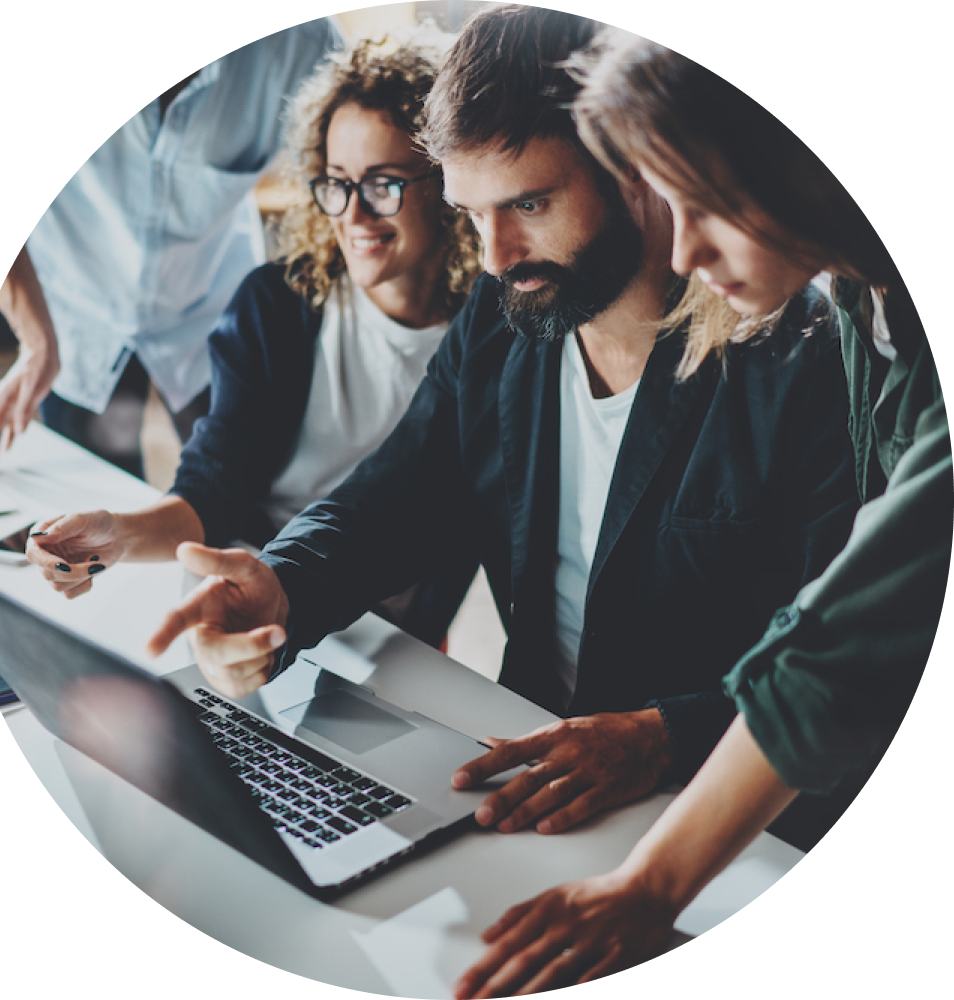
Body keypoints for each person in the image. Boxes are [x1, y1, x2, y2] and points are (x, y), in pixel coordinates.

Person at [145, 6, 859, 850]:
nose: (494, 255)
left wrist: (661, 737)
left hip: (724, 819)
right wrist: (281, 584)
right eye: (471, 213)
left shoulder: (801, 356)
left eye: (529, 202)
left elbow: (850, 667)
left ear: (632, 167)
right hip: (525, 767)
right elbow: (392, 497)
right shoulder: (502, 313)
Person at [449, 32, 950, 996]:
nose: (683, 250)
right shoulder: (862, 302)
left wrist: (648, 885)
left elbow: (837, 647)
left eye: (708, 201)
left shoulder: (831, 344)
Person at [25, 33, 484, 646]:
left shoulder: (489, 340)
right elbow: (211, 492)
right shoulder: (275, 307)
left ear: (448, 184)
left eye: (382, 185)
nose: (352, 214)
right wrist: (119, 535)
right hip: (249, 597)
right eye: (336, 183)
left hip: (391, 632)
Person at [0, 21, 341, 479]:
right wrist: (36, 338)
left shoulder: (302, 45)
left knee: (241, 488)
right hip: (77, 315)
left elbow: (349, 174)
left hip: (211, 308)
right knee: (94, 497)